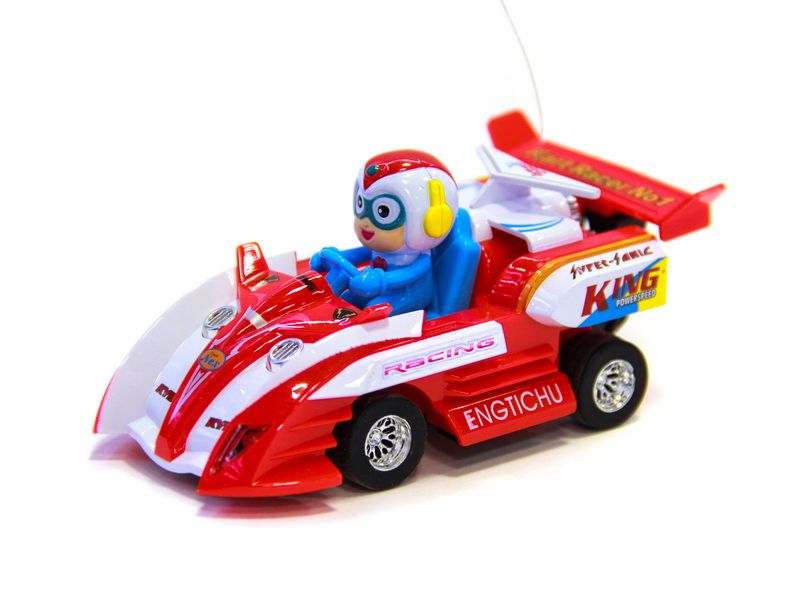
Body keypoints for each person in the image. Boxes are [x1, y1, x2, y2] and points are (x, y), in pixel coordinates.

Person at [311, 150, 459, 316]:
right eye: (361, 205)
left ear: (431, 219)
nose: (365, 222)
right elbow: (357, 255)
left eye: (383, 211)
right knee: (346, 299)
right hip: (376, 287)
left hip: (410, 294)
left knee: (373, 309)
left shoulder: (420, 258)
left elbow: (410, 274)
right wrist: (334, 256)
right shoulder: (379, 249)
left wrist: (380, 280)